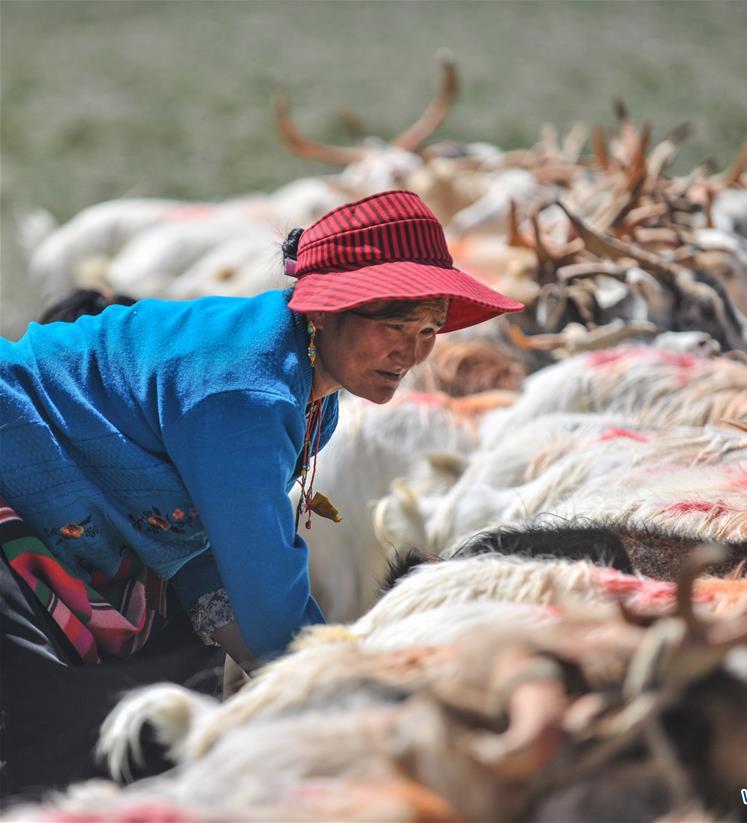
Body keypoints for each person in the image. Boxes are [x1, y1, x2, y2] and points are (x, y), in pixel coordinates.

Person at [0, 189, 522, 797]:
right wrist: (352, 708)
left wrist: (297, 669)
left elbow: (205, 551)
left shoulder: (311, 395)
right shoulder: (250, 395)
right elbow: (268, 598)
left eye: (429, 328)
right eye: (394, 325)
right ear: (325, 312)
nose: (412, 352)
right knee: (57, 722)